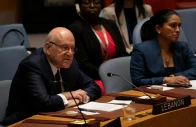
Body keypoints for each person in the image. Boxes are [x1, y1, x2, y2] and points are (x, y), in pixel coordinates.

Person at [2, 27, 101, 126]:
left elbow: (94, 87)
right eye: (65, 47)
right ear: (48, 48)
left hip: (56, 116)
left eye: (72, 48)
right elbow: (44, 103)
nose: (70, 53)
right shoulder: (32, 66)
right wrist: (70, 95)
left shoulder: (70, 64)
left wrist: (78, 99)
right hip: (24, 121)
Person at [69, 0, 127, 95]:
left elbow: (122, 53)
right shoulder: (76, 28)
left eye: (96, 2)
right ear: (79, 6)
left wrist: (118, 73)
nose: (92, 6)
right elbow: (83, 64)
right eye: (87, 3)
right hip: (93, 78)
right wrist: (107, 75)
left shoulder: (111, 24)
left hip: (117, 75)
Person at [130, 9, 196, 86]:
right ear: (158, 28)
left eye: (179, 25)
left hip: (179, 91)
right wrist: (166, 80)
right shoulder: (141, 50)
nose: (178, 30)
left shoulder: (183, 47)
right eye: (173, 25)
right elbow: (137, 81)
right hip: (153, 94)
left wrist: (174, 77)